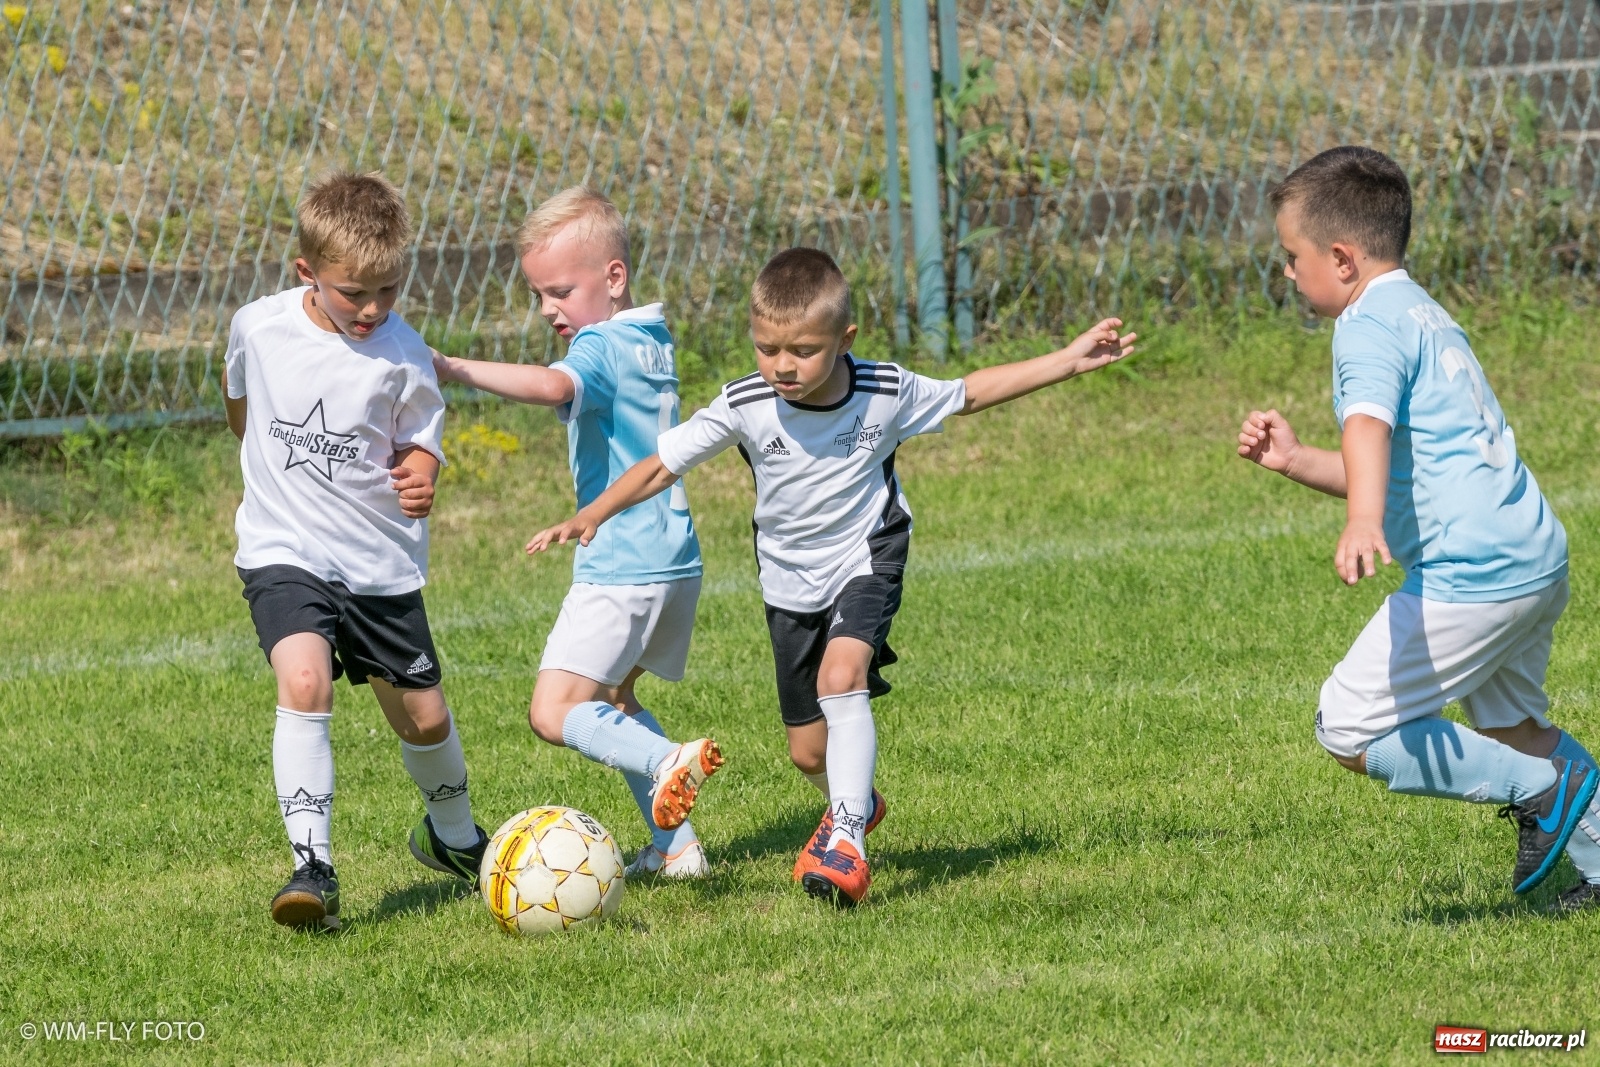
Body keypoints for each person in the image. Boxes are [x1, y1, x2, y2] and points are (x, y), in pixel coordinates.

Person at [527, 247, 1135, 907]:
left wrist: (1068, 360)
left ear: (846, 340)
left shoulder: (883, 391)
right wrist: (591, 513)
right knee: (808, 754)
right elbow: (661, 465)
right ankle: (855, 800)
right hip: (789, 583)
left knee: (840, 677)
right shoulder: (745, 401)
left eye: (803, 351)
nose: (783, 366)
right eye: (767, 347)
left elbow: (973, 391)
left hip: (866, 556)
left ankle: (846, 837)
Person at [1236, 145, 1600, 908]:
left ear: (1340, 258)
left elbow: (1368, 428)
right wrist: (1300, 459)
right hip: (1530, 554)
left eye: (1290, 257)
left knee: (1348, 725)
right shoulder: (1423, 310)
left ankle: (1542, 793)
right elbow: (1404, 460)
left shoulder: (1364, 326)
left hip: (1473, 572)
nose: (1287, 273)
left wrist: (1362, 520)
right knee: (1510, 726)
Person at [223, 171, 489, 930]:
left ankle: (456, 838)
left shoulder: (404, 355)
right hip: (284, 549)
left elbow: (423, 441)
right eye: (353, 293)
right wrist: (260, 464)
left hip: (377, 563)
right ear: (307, 272)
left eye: (388, 289)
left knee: (427, 720)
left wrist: (423, 472)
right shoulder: (259, 325)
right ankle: (314, 864)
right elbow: (237, 393)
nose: (373, 308)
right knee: (304, 681)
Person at [434, 187, 722, 880]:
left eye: (559, 290)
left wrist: (451, 367)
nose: (547, 309)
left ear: (613, 277)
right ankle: (678, 850)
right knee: (616, 700)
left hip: (621, 560)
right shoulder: (652, 337)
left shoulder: (598, 342)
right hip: (674, 556)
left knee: (554, 709)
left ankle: (664, 760)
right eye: (539, 294)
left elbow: (555, 385)